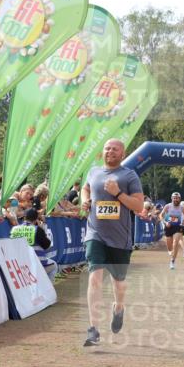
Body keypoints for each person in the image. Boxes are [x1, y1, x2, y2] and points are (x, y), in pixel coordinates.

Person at [79, 139, 144, 347]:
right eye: (107, 148)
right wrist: (84, 200)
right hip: (95, 233)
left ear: (122, 153)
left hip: (120, 238)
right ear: (102, 151)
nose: (110, 151)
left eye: (115, 149)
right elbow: (85, 188)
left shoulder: (129, 175)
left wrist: (118, 193)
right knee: (95, 278)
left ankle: (119, 308)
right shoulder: (94, 171)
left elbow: (138, 206)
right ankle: (93, 329)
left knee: (119, 283)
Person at [11, 208, 57, 280]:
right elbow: (47, 246)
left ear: (24, 217)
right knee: (54, 266)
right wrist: (42, 229)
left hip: (19, 264)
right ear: (36, 219)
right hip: (36, 264)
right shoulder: (37, 229)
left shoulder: (15, 229)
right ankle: (47, 289)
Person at [160, 192, 184, 269]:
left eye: (177, 198)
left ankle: (172, 261)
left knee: (176, 242)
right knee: (170, 248)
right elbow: (161, 215)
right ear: (172, 199)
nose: (176, 199)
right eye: (174, 198)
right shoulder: (168, 206)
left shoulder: (182, 208)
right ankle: (171, 253)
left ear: (180, 199)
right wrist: (165, 222)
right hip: (168, 227)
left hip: (177, 227)